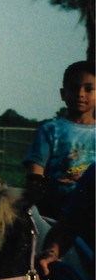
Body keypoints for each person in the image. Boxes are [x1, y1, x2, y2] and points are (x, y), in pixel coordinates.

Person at [23, 60, 95, 218]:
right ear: (63, 93)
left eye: (88, 89)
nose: (80, 93)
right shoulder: (50, 130)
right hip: (53, 210)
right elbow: (36, 171)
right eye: (74, 88)